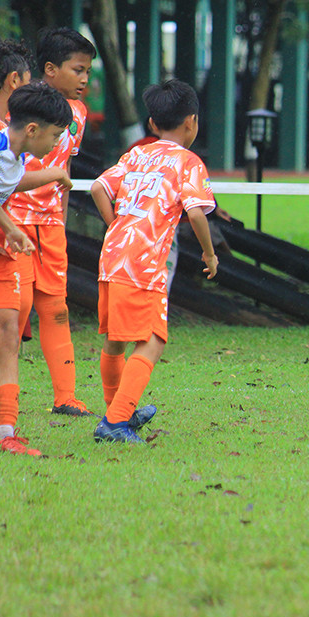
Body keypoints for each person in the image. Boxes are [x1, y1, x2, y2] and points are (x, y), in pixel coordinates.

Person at [90, 79, 218, 443]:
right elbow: (195, 213)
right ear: (192, 121)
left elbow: (99, 187)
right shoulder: (188, 162)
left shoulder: (137, 154)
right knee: (153, 338)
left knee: (116, 340)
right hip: (143, 263)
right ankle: (115, 422)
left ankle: (119, 413)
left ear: (151, 124)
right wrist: (209, 253)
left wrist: (115, 225)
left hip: (112, 255)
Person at [6, 27, 97, 417]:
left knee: (56, 308)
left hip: (51, 227)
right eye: (78, 70)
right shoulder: (16, 109)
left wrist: (60, 211)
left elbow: (67, 164)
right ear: (50, 69)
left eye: (88, 72)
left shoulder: (78, 113)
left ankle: (67, 397)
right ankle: (2, 394)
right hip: (14, 223)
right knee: (17, 305)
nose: (84, 79)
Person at [0, 82, 73, 456]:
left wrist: (10, 227)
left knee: (5, 332)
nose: (55, 143)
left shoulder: (13, 161)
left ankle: (4, 433)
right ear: (32, 129)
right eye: (54, 135)